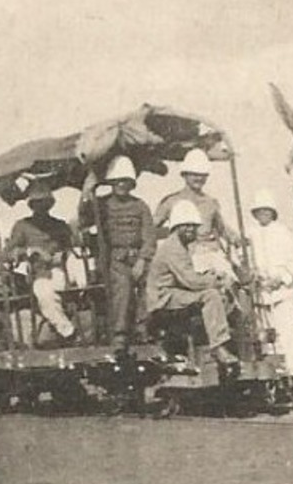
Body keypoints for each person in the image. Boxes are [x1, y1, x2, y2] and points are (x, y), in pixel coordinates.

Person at [146, 199, 242, 365]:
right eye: (186, 225)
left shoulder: (183, 245)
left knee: (218, 294)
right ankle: (218, 346)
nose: (191, 229)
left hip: (175, 291)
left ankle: (215, 341)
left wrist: (212, 276)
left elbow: (190, 276)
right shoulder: (173, 248)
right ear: (177, 227)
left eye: (193, 225)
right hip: (164, 296)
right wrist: (217, 281)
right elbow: (191, 281)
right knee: (210, 295)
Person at [245, 188, 293, 402]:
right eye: (258, 211)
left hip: (282, 293)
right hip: (261, 297)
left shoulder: (282, 232)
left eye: (266, 210)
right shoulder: (251, 234)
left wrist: (281, 278)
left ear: (273, 212)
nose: (263, 214)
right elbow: (245, 261)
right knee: (267, 342)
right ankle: (275, 384)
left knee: (289, 336)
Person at [87, 155, 155, 347]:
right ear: (111, 182)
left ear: (132, 183)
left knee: (149, 286)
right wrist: (86, 195)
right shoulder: (101, 205)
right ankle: (120, 334)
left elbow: (149, 237)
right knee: (121, 290)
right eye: (117, 181)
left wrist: (142, 260)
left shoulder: (140, 206)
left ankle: (143, 328)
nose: (121, 185)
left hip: (138, 257)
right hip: (114, 259)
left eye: (126, 181)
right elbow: (83, 219)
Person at [0, 179, 76, 343]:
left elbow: (73, 247)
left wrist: (63, 254)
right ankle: (68, 331)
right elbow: (5, 255)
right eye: (37, 203)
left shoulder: (60, 226)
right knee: (44, 291)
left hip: (63, 271)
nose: (41, 207)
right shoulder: (23, 226)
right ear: (31, 205)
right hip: (39, 274)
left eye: (45, 202)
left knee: (70, 284)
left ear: (50, 204)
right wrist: (30, 251)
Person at [153, 150, 242, 280]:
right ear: (184, 175)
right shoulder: (171, 201)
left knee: (230, 283)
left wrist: (237, 239)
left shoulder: (210, 202)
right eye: (194, 174)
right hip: (183, 254)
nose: (199, 178)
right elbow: (151, 227)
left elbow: (222, 229)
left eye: (203, 175)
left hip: (210, 253)